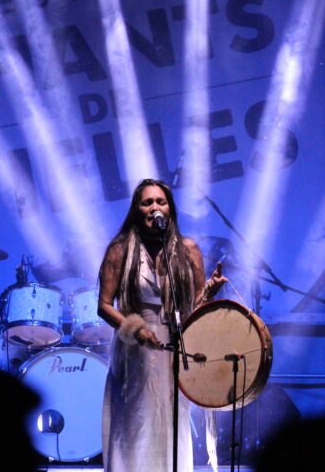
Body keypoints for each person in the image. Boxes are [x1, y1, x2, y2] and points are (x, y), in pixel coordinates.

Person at [97, 179, 227, 472]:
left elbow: (193, 304)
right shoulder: (120, 250)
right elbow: (104, 305)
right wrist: (137, 330)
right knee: (137, 419)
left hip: (174, 345)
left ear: (170, 209)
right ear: (136, 209)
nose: (155, 207)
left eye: (161, 201)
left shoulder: (187, 250)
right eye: (147, 202)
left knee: (171, 418)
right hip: (136, 348)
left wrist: (209, 291)